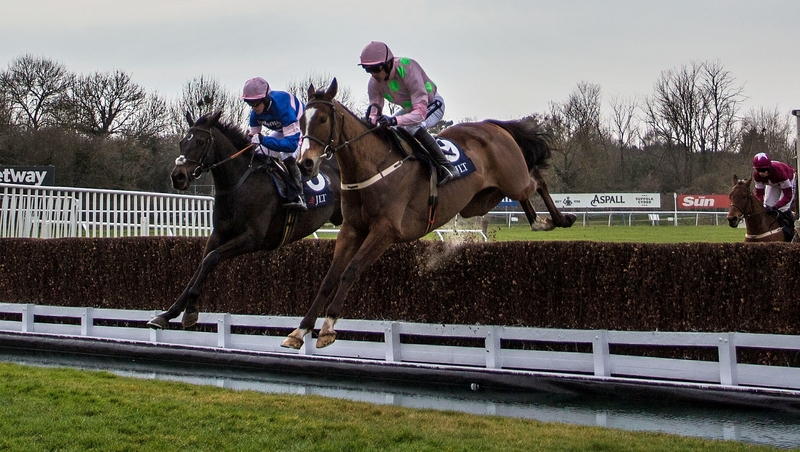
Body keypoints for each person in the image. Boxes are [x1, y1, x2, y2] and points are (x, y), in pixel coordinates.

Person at [358, 41, 458, 186]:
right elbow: (374, 110)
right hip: (410, 109)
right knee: (390, 129)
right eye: (368, 70)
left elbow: (420, 114)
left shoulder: (408, 67)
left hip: (431, 104)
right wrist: (371, 122)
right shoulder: (374, 83)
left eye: (376, 69)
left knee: (411, 127)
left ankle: (447, 167)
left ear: (388, 63)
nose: (374, 75)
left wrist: (394, 120)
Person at [241, 76, 307, 211]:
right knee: (259, 153)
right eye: (249, 103)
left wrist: (263, 140)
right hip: (283, 130)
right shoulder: (254, 114)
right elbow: (253, 140)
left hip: (302, 128)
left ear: (265, 98)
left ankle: (300, 196)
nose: (253, 108)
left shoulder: (282, 108)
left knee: (286, 155)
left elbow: (291, 145)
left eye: (255, 103)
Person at [752, 152, 797, 237]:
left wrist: (775, 207)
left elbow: (788, 196)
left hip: (788, 179)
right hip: (773, 184)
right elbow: (759, 194)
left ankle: (791, 231)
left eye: (764, 170)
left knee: (783, 208)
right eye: (759, 170)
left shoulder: (779, 172)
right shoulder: (756, 175)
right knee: (767, 204)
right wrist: (759, 206)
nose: (761, 173)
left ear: (769, 167)